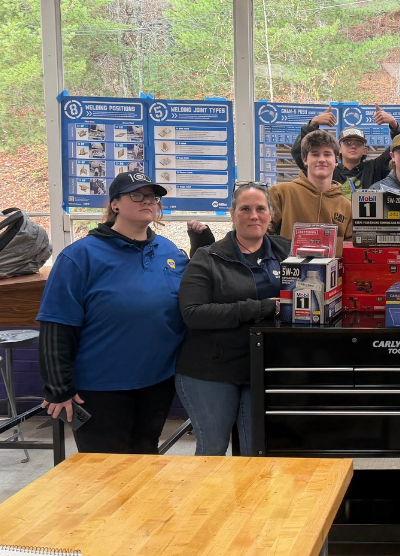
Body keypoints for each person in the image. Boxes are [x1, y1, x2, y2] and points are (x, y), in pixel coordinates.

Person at [37, 172, 187, 453]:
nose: (148, 201)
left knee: (145, 457)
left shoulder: (170, 253)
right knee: (104, 467)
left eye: (153, 196)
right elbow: (56, 325)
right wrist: (58, 388)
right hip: (99, 388)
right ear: (115, 204)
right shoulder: (80, 256)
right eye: (137, 195)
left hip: (158, 382)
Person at [176, 182, 291, 456]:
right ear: (232, 213)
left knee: (255, 451)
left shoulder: (287, 252)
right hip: (211, 369)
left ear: (271, 213)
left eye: (260, 208)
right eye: (245, 209)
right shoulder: (208, 257)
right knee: (213, 448)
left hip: (262, 367)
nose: (254, 216)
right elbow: (193, 313)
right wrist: (260, 308)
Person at [290, 105, 400, 199]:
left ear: (365, 150)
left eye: (358, 143)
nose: (353, 146)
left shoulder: (375, 169)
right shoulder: (328, 168)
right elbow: (300, 154)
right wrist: (312, 125)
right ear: (339, 149)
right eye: (347, 143)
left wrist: (394, 125)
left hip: (367, 221)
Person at [270, 129, 353, 255]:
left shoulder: (347, 205)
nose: (321, 159)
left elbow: (350, 248)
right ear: (305, 160)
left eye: (327, 154)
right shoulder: (280, 193)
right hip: (286, 266)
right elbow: (262, 235)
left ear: (336, 160)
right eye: (315, 154)